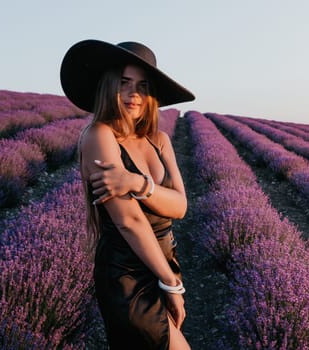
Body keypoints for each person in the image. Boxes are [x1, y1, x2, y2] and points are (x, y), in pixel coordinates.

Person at [60, 39, 195, 349]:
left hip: (163, 261)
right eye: (124, 83)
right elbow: (129, 221)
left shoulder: (159, 140)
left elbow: (181, 206)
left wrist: (136, 183)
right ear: (109, 86)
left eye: (143, 85)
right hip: (126, 273)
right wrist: (171, 284)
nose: (135, 94)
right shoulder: (99, 135)